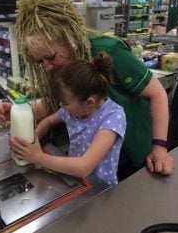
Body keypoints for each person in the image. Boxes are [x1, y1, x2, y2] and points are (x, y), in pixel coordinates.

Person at [0, 0, 174, 179]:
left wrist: (159, 147)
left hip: (132, 150)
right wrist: (22, 112)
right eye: (40, 61)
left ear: (67, 37)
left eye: (50, 57)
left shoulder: (107, 51)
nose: (46, 66)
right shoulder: (58, 66)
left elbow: (156, 93)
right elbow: (61, 104)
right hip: (93, 161)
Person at [10, 52, 126, 186]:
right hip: (75, 179)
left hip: (99, 189)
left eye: (65, 103)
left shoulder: (113, 117)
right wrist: (32, 138)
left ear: (89, 103)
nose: (61, 106)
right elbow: (48, 122)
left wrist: (39, 158)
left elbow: (84, 167)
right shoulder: (71, 111)